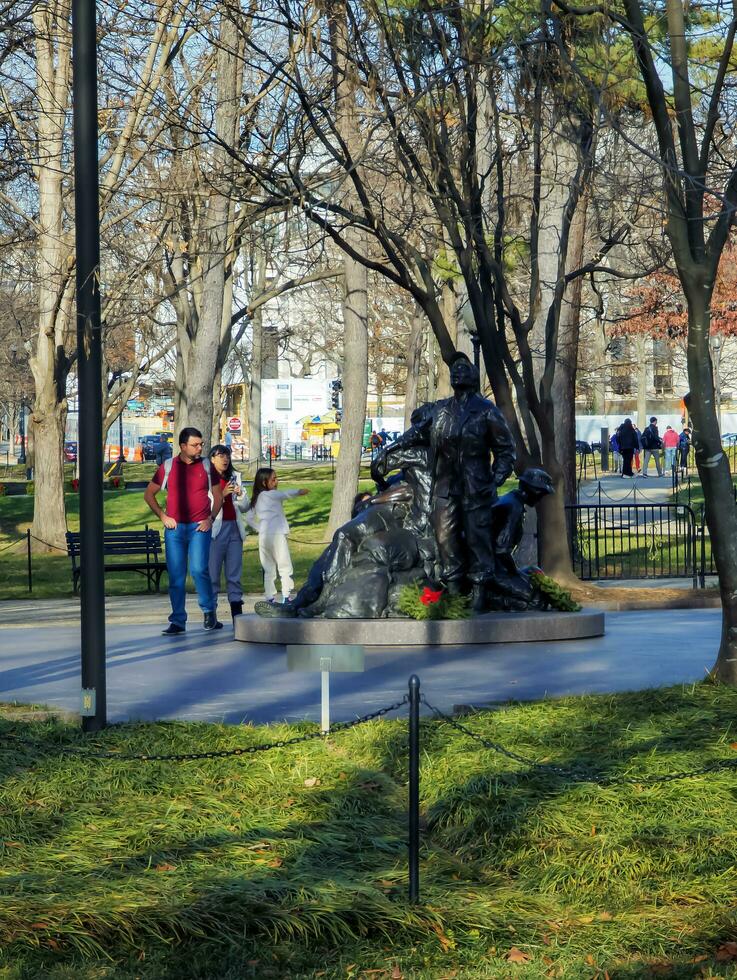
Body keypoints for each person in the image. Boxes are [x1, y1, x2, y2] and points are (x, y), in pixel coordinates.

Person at [391, 351, 515, 610]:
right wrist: (389, 450)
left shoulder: (486, 412)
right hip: (446, 488)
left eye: (464, 369)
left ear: (473, 377)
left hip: (475, 487)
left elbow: (505, 450)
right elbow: (415, 435)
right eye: (455, 370)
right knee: (444, 538)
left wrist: (494, 480)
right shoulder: (441, 410)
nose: (458, 372)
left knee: (476, 539)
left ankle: (480, 591)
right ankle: (455, 588)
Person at [144, 427, 224, 635]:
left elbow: (218, 496)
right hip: (175, 530)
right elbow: (149, 495)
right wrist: (163, 516)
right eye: (195, 445)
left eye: (201, 444)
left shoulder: (207, 465)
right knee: (177, 576)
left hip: (199, 527)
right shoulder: (168, 466)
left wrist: (210, 519)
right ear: (182, 446)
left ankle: (209, 612)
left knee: (198, 570)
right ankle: (178, 620)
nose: (200, 448)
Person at [246, 468, 309, 604]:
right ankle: (286, 596)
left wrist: (260, 529)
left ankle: (269, 597)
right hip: (277, 535)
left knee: (268, 568)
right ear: (264, 482)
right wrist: (299, 492)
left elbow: (249, 518)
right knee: (284, 564)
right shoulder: (271, 495)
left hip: (264, 537)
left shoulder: (256, 499)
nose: (276, 482)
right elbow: (285, 494)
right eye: (273, 479)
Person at [208, 445, 250, 621]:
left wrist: (240, 495)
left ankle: (237, 617)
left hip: (234, 529)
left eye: (227, 455)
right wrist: (222, 494)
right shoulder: (207, 479)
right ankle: (210, 616)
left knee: (234, 574)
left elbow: (245, 506)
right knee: (213, 574)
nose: (225, 459)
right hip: (215, 530)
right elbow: (204, 507)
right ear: (212, 459)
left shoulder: (235, 477)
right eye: (220, 456)